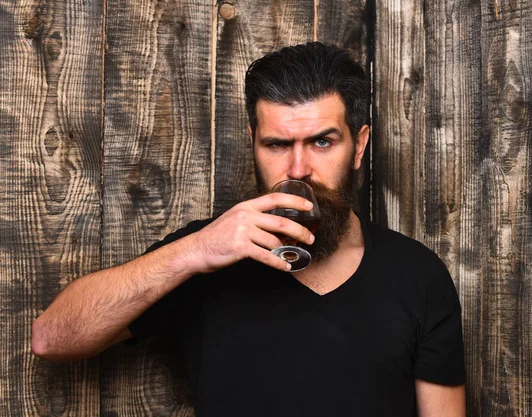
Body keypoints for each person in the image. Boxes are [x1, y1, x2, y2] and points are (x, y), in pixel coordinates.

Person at [31, 42, 466, 416]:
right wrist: (193, 251)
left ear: (359, 146)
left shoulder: (418, 276)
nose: (298, 169)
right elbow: (51, 339)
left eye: (322, 142)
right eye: (277, 144)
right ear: (253, 143)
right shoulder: (206, 256)